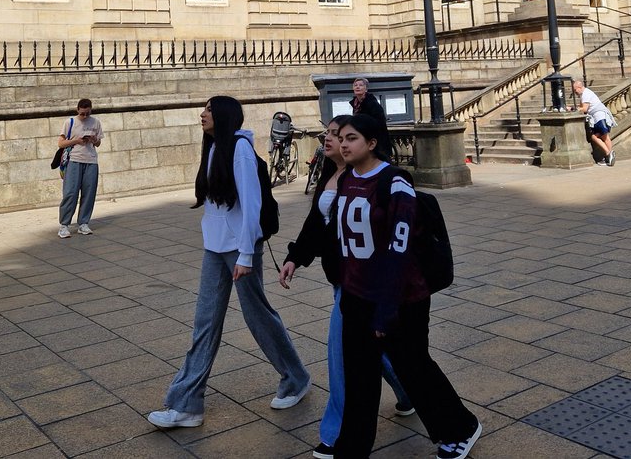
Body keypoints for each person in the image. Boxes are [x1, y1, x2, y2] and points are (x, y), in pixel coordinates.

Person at [148, 96, 310, 430]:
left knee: (258, 316)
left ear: (222, 115)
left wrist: (247, 255)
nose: (202, 115)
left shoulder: (238, 149)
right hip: (215, 248)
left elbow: (251, 204)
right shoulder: (212, 147)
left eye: (208, 110)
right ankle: (187, 404)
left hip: (240, 249)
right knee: (205, 322)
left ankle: (295, 378)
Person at [331, 113, 481, 459]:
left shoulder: (394, 183)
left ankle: (461, 427)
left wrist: (386, 310)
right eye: (341, 137)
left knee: (414, 368)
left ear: (371, 143)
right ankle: (351, 449)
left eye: (351, 138)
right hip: (356, 297)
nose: (343, 143)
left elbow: (399, 252)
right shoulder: (346, 180)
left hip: (401, 299)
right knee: (358, 378)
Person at [278, 116, 413, 459]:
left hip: (362, 282)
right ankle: (410, 392)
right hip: (342, 279)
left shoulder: (364, 179)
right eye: (330, 133)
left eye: (339, 135)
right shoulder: (333, 175)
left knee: (339, 355)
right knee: (372, 352)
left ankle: (335, 432)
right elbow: (317, 224)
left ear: (363, 142)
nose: (329, 138)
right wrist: (296, 256)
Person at [57, 98, 103, 238]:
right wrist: (76, 141)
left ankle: (83, 223)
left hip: (91, 160)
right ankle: (64, 225)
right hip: (74, 160)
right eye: (82, 113)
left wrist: (94, 139)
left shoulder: (95, 122)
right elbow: (60, 143)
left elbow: (99, 143)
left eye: (87, 113)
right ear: (77, 110)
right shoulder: (70, 122)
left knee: (89, 193)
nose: (84, 117)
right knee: (70, 193)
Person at [572, 80, 615, 166]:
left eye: (575, 90)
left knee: (600, 136)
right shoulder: (585, 94)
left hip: (599, 116)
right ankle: (609, 156)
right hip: (598, 116)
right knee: (602, 136)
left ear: (579, 87)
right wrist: (573, 108)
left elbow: (584, 109)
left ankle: (608, 154)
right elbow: (581, 107)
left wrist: (573, 109)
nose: (574, 92)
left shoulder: (585, 94)